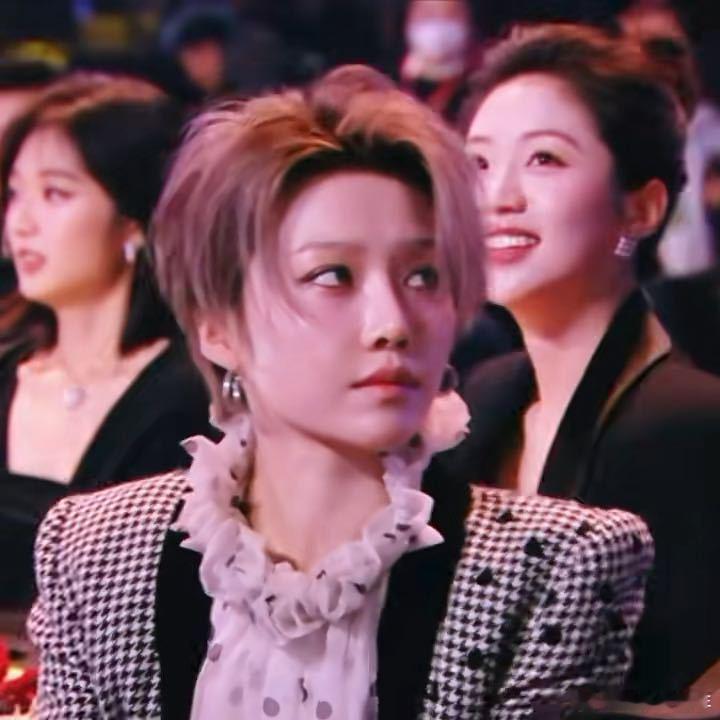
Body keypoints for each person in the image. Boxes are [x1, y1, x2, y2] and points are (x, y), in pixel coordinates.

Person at [28, 74, 652, 719]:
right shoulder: (98, 549)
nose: (392, 323)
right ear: (218, 327)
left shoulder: (553, 566)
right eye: (333, 276)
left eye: (423, 276)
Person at [449, 23, 720, 701]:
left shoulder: (691, 425)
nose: (499, 196)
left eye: (544, 159)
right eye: (478, 164)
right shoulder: (480, 400)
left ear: (642, 207)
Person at [0, 74, 211, 613]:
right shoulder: (7, 370)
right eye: (15, 193)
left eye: (55, 193)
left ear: (133, 220)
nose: (21, 223)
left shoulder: (190, 401)